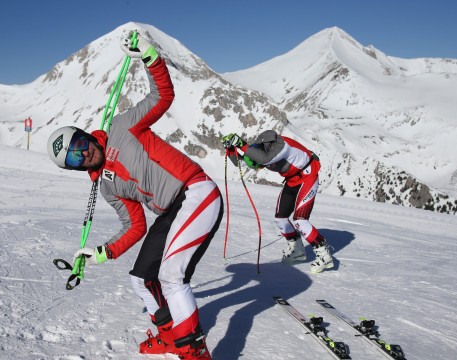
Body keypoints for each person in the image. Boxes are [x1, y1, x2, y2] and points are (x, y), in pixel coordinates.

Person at [46, 32, 223, 359]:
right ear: (71, 168)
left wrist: (149, 56)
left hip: (195, 191)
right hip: (172, 210)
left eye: (80, 144)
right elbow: (135, 226)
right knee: (141, 280)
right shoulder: (107, 187)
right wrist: (103, 252)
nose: (82, 155)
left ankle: (192, 351)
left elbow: (162, 95)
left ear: (88, 136)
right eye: (73, 157)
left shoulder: (122, 126)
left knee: (172, 276)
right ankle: (170, 336)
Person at [221, 131, 334, 274]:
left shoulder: (282, 145)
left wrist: (242, 145)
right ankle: (297, 251)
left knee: (300, 220)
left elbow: (264, 159)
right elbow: (247, 162)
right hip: (293, 180)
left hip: (307, 177)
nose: (257, 167)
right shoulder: (264, 151)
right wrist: (232, 150)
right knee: (280, 218)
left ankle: (325, 256)